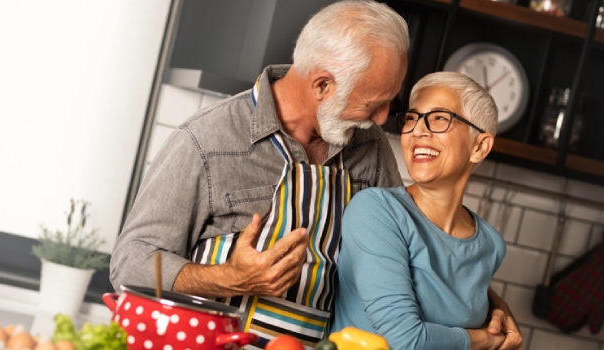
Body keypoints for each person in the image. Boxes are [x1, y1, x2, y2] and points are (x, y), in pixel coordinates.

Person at [111, 1, 521, 348]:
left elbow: (410, 254)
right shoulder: (206, 140)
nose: (383, 119)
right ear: (322, 85)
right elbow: (131, 262)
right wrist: (230, 278)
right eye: (372, 103)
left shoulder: (369, 147)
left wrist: (492, 306)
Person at [331, 71, 520, 350]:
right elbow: (404, 340)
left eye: (440, 118)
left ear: (480, 147)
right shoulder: (376, 212)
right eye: (411, 118)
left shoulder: (490, 244)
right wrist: (487, 340)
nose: (418, 130)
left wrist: (497, 309)